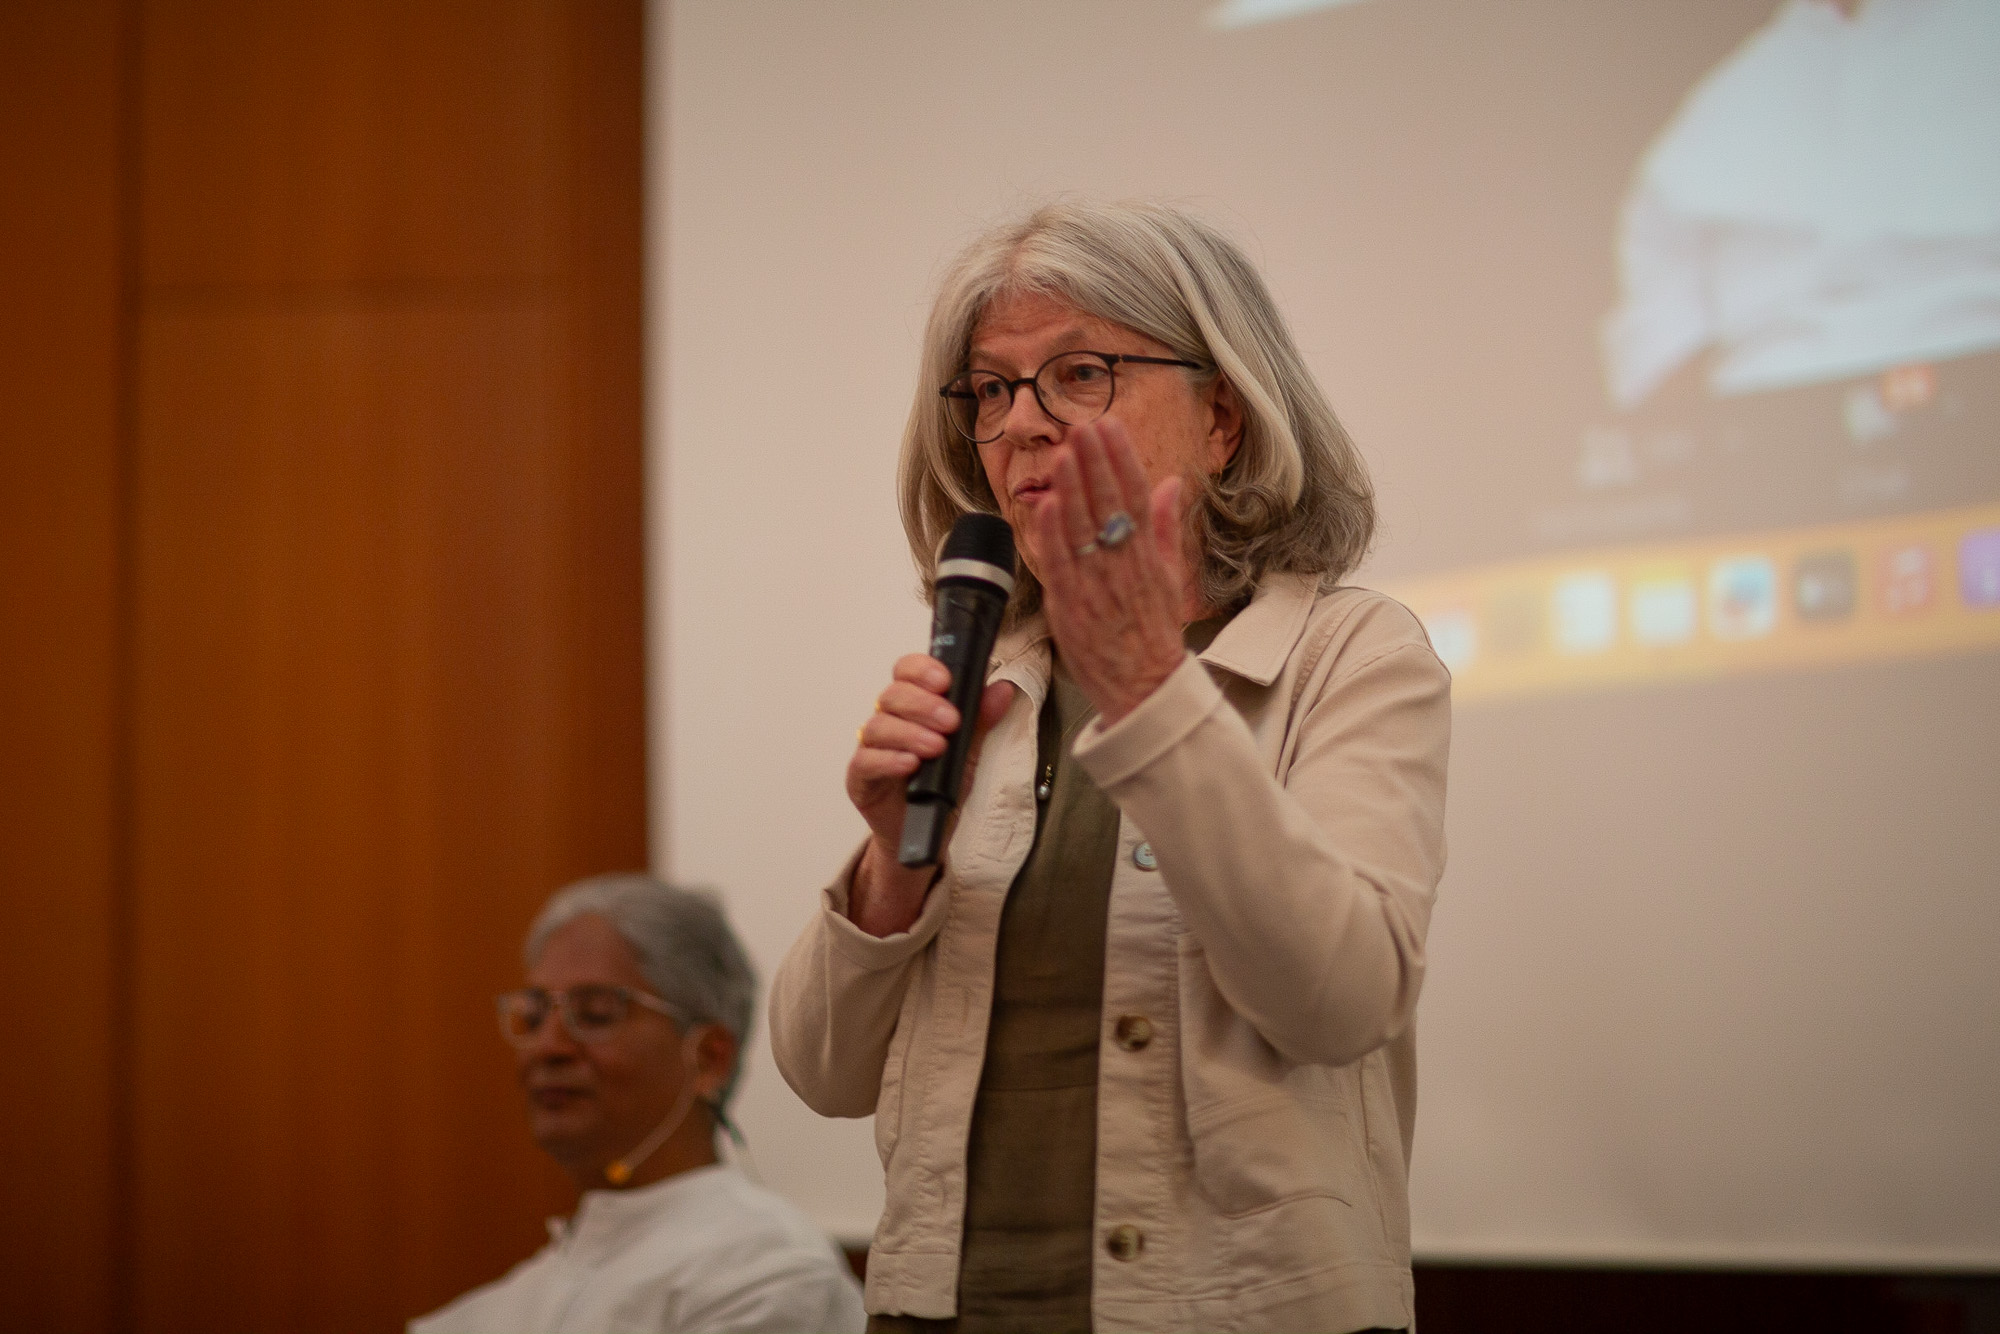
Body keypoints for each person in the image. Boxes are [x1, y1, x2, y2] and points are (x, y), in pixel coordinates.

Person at [769, 201, 1451, 1333]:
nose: (1022, 425)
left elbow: (1341, 998)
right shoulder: (989, 672)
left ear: (1221, 416)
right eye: (989, 389)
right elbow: (822, 1070)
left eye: (1077, 372)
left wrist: (1147, 688)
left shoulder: (1351, 655)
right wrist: (891, 865)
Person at [411, 873, 866, 1334]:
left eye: (594, 1012)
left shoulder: (767, 1274)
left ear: (709, 1057)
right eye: (533, 1012)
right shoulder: (495, 1308)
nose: (547, 1046)